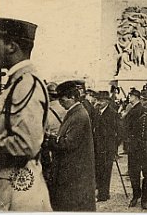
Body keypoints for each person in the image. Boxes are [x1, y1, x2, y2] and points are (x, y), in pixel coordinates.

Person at [0, 18, 52, 211]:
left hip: (17, 193)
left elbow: (25, 144)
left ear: (11, 46)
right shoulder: (17, 82)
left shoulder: (26, 84)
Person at [48, 80, 96, 211]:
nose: (60, 103)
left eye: (62, 100)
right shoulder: (74, 113)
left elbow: (68, 143)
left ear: (72, 97)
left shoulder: (79, 115)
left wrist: (47, 140)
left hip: (75, 172)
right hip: (73, 170)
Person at [93, 90, 120, 202]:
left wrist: (113, 146)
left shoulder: (113, 114)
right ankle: (100, 192)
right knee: (98, 170)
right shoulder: (97, 112)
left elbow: (120, 132)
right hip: (98, 147)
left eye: (101, 100)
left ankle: (104, 194)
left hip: (107, 148)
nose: (99, 102)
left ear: (107, 101)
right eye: (98, 100)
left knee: (106, 171)